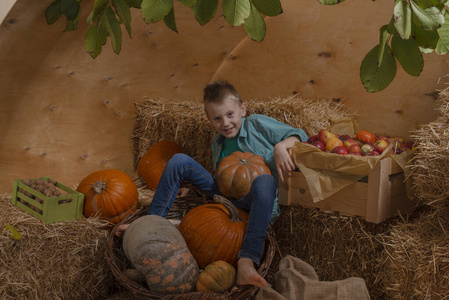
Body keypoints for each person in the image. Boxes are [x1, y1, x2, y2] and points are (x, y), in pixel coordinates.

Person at [117, 80, 308, 288]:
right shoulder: (217, 143)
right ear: (209, 120)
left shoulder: (258, 124)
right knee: (179, 160)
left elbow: (301, 135)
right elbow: (224, 179)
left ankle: (246, 262)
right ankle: (149, 225)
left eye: (230, 115)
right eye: (217, 118)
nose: (225, 123)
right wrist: (195, 187)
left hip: (254, 203)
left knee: (265, 180)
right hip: (225, 199)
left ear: (242, 110)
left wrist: (282, 146)